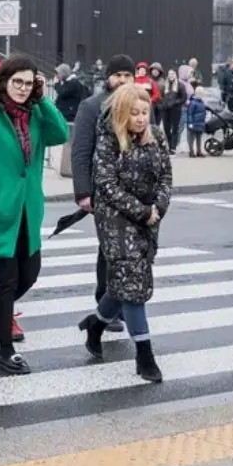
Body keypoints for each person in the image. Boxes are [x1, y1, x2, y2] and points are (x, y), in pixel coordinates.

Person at [0, 55, 69, 374]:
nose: (22, 88)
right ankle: (5, 349)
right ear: (3, 80)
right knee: (4, 282)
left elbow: (60, 134)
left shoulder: (34, 113)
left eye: (28, 82)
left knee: (29, 273)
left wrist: (44, 100)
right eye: (16, 81)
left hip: (26, 211)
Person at [79, 83, 171, 382]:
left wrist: (157, 207)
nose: (141, 118)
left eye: (145, 112)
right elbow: (106, 183)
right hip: (115, 218)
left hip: (147, 218)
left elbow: (166, 176)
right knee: (132, 285)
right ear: (122, 113)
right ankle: (144, 356)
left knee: (124, 282)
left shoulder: (157, 135)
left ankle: (96, 324)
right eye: (135, 113)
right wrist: (143, 211)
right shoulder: (108, 138)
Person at [70, 53, 136, 328]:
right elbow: (81, 151)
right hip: (104, 191)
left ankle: (117, 302)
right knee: (109, 250)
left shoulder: (140, 105)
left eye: (127, 75)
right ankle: (105, 305)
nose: (121, 80)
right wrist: (83, 192)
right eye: (117, 75)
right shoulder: (92, 106)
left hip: (134, 193)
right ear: (108, 77)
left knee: (130, 250)